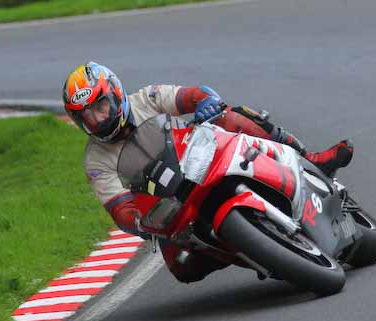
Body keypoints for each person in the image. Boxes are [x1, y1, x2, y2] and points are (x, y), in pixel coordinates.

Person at [62, 61, 353, 283]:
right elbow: (119, 208)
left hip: (201, 158)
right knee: (183, 267)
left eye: (101, 106)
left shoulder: (146, 99)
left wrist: (204, 103)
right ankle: (254, 251)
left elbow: (192, 95)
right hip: (168, 204)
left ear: (115, 94)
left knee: (232, 116)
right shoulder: (95, 161)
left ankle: (311, 158)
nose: (98, 119)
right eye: (87, 115)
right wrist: (138, 220)